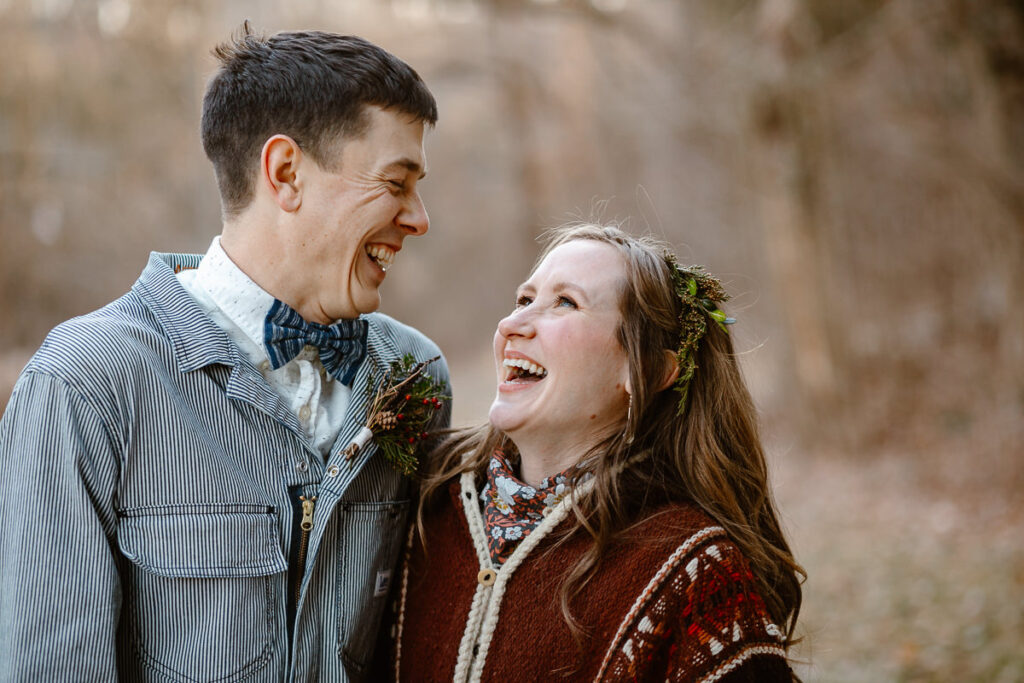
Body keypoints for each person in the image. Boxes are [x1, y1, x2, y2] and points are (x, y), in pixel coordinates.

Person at [0, 24, 449, 681]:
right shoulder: (87, 384)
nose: (419, 217)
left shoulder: (415, 378)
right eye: (396, 182)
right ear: (286, 172)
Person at [384, 224, 804, 681]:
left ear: (646, 370)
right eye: (525, 300)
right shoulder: (417, 498)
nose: (510, 324)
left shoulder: (694, 570)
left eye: (565, 302)